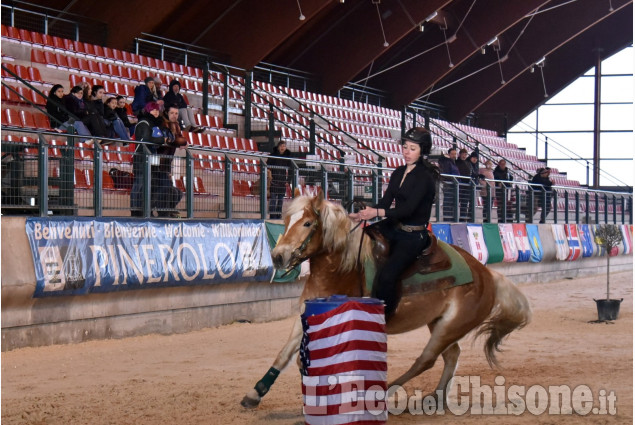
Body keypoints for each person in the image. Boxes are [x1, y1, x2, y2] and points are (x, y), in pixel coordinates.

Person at [349, 127, 439, 319]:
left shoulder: (425, 177)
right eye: (405, 147)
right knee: (357, 242)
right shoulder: (398, 172)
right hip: (393, 227)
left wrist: (377, 212)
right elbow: (385, 203)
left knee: (388, 275)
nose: (406, 152)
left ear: (422, 151)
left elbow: (407, 210)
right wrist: (363, 215)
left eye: (412, 148)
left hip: (413, 236)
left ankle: (383, 318)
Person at [130, 102, 169, 217]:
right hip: (142, 158)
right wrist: (162, 140)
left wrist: (162, 139)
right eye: (153, 110)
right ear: (148, 111)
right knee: (139, 184)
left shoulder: (154, 124)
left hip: (151, 158)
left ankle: (145, 209)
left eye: (157, 110)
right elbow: (147, 139)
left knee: (149, 185)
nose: (156, 112)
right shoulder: (144, 123)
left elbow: (156, 138)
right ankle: (135, 210)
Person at [152, 105, 188, 218]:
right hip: (159, 162)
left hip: (167, 163)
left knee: (175, 191)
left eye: (176, 113)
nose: (174, 115)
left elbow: (180, 139)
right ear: (167, 113)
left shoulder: (176, 125)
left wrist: (181, 141)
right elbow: (172, 140)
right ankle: (164, 212)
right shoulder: (163, 124)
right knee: (165, 189)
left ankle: (169, 210)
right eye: (172, 113)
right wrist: (181, 142)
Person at [267, 141, 291, 219]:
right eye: (281, 146)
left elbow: (291, 169)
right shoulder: (273, 155)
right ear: (278, 147)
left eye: (284, 146)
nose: (282, 147)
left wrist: (288, 181)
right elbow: (267, 166)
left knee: (280, 200)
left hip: (282, 181)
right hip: (274, 180)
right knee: (273, 199)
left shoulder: (288, 156)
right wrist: (269, 176)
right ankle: (272, 215)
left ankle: (278, 214)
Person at [437, 147, 459, 221]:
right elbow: (446, 172)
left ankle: (450, 217)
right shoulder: (447, 162)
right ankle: (447, 218)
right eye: (452, 154)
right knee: (447, 202)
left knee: (452, 202)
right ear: (448, 154)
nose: (454, 155)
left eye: (455, 154)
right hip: (448, 184)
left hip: (454, 184)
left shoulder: (453, 163)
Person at [456, 148, 472, 221]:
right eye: (463, 154)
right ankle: (455, 217)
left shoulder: (468, 163)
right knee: (457, 201)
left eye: (465, 154)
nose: (464, 156)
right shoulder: (456, 162)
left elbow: (471, 172)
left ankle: (463, 218)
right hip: (459, 184)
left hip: (467, 185)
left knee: (465, 203)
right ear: (460, 154)